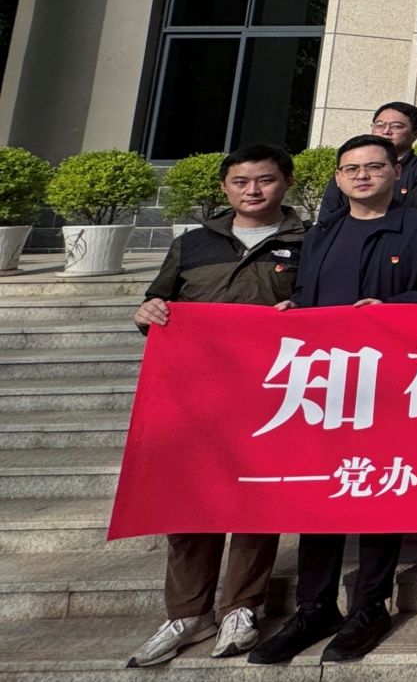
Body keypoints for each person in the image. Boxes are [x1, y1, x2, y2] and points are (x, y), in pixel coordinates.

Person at [249, 134, 417, 665]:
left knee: (379, 489)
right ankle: (314, 607)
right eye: (351, 169)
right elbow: (309, 297)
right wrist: (295, 309)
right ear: (338, 178)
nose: (362, 176)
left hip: (389, 384)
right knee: (322, 492)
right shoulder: (322, 232)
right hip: (327, 388)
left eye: (374, 167)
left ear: (396, 174)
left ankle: (370, 606)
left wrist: (391, 308)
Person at [127, 144, 303, 667]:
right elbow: (157, 301)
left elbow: (325, 305)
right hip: (194, 393)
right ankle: (187, 613)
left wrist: (304, 310)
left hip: (271, 394)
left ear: (286, 183)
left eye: (265, 180)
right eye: (241, 181)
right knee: (188, 500)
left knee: (255, 498)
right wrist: (148, 312)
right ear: (225, 187)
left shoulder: (309, 241)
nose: (253, 190)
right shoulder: (193, 243)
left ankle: (241, 607)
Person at [316, 100, 417, 224]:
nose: (386, 131)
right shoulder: (349, 168)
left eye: (396, 126)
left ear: (416, 134)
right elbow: (328, 215)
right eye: (379, 125)